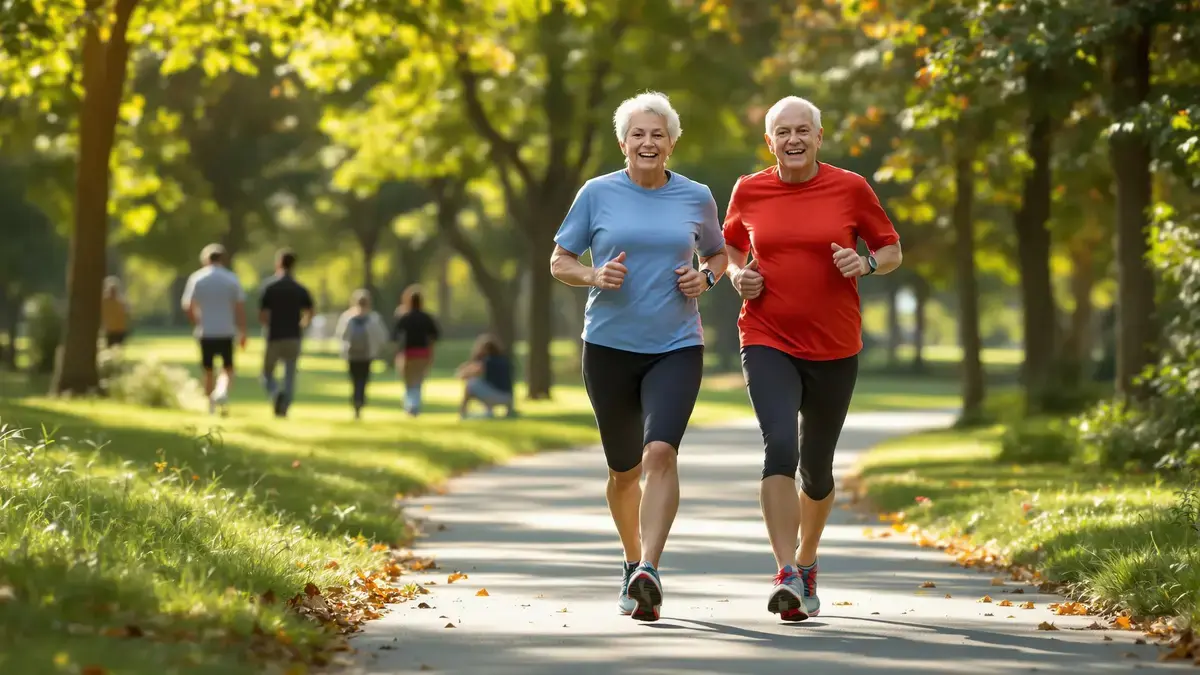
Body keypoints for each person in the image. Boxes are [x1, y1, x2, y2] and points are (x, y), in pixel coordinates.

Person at [722, 95, 902, 622]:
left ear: (819, 138)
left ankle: (806, 559)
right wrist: (738, 275)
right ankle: (785, 573)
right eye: (783, 132)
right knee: (779, 446)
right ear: (770, 141)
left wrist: (863, 263)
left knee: (816, 469)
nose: (793, 140)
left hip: (834, 346)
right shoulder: (748, 190)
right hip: (766, 333)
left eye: (803, 130)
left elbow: (891, 249)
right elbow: (730, 246)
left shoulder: (851, 188)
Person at [549, 91, 726, 622]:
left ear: (672, 142)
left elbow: (717, 252)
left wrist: (707, 276)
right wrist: (592, 275)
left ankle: (650, 566)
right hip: (607, 347)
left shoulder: (696, 196)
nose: (648, 143)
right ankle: (631, 563)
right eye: (638, 135)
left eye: (658, 134)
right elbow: (560, 259)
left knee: (660, 455)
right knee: (624, 470)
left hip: (676, 345)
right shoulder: (597, 194)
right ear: (623, 143)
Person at [181, 243, 247, 416]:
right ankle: (221, 393)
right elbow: (239, 307)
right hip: (226, 330)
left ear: (205, 259)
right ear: (222, 259)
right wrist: (242, 331)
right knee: (228, 369)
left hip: (206, 331)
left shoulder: (197, 278)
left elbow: (187, 305)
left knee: (208, 370)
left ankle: (210, 406)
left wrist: (197, 321)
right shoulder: (231, 279)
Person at [258, 248, 314, 418]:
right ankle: (285, 406)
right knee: (290, 374)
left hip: (274, 335)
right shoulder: (300, 288)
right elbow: (310, 311)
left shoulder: (270, 287)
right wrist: (302, 325)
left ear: (278, 263)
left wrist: (269, 326)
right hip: (293, 336)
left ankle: (275, 394)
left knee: (267, 373)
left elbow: (262, 314)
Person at [334, 289, 390, 420]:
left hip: (352, 354)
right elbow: (382, 337)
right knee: (363, 380)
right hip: (367, 354)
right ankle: (360, 400)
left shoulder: (347, 317)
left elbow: (340, 335)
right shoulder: (373, 318)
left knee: (354, 380)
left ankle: (356, 401)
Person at [392, 285, 440, 416]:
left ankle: (410, 405)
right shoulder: (427, 318)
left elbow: (395, 336)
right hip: (423, 353)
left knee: (408, 381)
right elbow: (435, 336)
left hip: (408, 353)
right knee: (418, 380)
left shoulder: (405, 317)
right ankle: (415, 405)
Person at [455, 333, 515, 419]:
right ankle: (489, 411)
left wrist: (462, 371)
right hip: (508, 398)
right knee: (484, 384)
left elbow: (466, 375)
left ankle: (462, 413)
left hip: (497, 396)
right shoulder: (504, 360)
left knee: (470, 384)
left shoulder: (488, 361)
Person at [100, 276, 131, 348]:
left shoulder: (121, 301)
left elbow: (127, 314)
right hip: (109, 330)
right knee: (110, 347)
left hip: (119, 330)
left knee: (117, 348)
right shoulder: (104, 301)